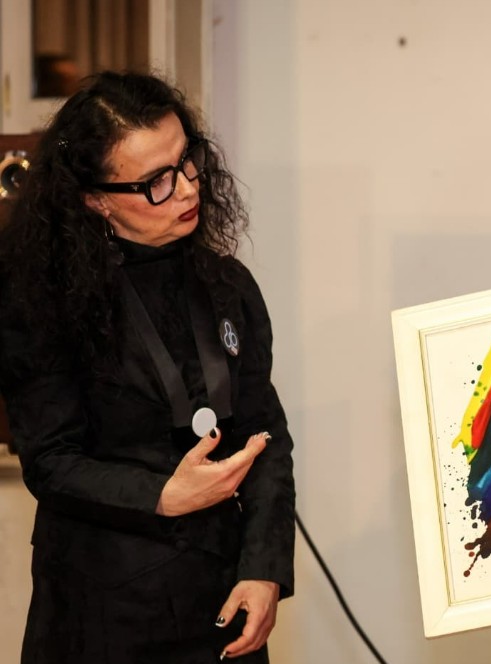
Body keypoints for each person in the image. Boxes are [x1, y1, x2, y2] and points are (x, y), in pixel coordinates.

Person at [0, 71, 295, 663]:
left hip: (221, 601)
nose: (186, 190)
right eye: (156, 181)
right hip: (102, 610)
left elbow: (265, 438)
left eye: (188, 161)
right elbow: (51, 462)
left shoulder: (228, 284)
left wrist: (263, 569)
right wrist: (163, 494)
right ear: (95, 198)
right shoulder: (41, 300)